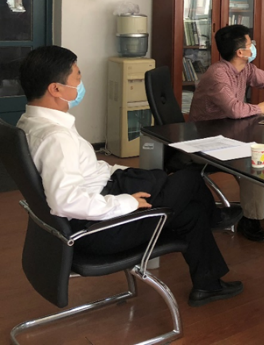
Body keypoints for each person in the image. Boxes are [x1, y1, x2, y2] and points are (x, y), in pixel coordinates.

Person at [16, 46, 243, 307]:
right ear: (56, 89)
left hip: (98, 201)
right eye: (77, 77)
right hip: (98, 231)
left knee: (189, 209)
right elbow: (66, 201)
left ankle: (208, 284)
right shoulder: (56, 138)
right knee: (189, 178)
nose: (81, 83)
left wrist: (117, 173)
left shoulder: (30, 123)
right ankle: (216, 218)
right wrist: (126, 203)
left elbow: (77, 176)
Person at [189, 24, 264, 243]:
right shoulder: (218, 74)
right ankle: (251, 219)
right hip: (206, 140)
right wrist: (261, 108)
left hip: (231, 132)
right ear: (240, 52)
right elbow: (235, 110)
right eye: (250, 44)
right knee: (253, 160)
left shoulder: (246, 68)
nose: (253, 47)